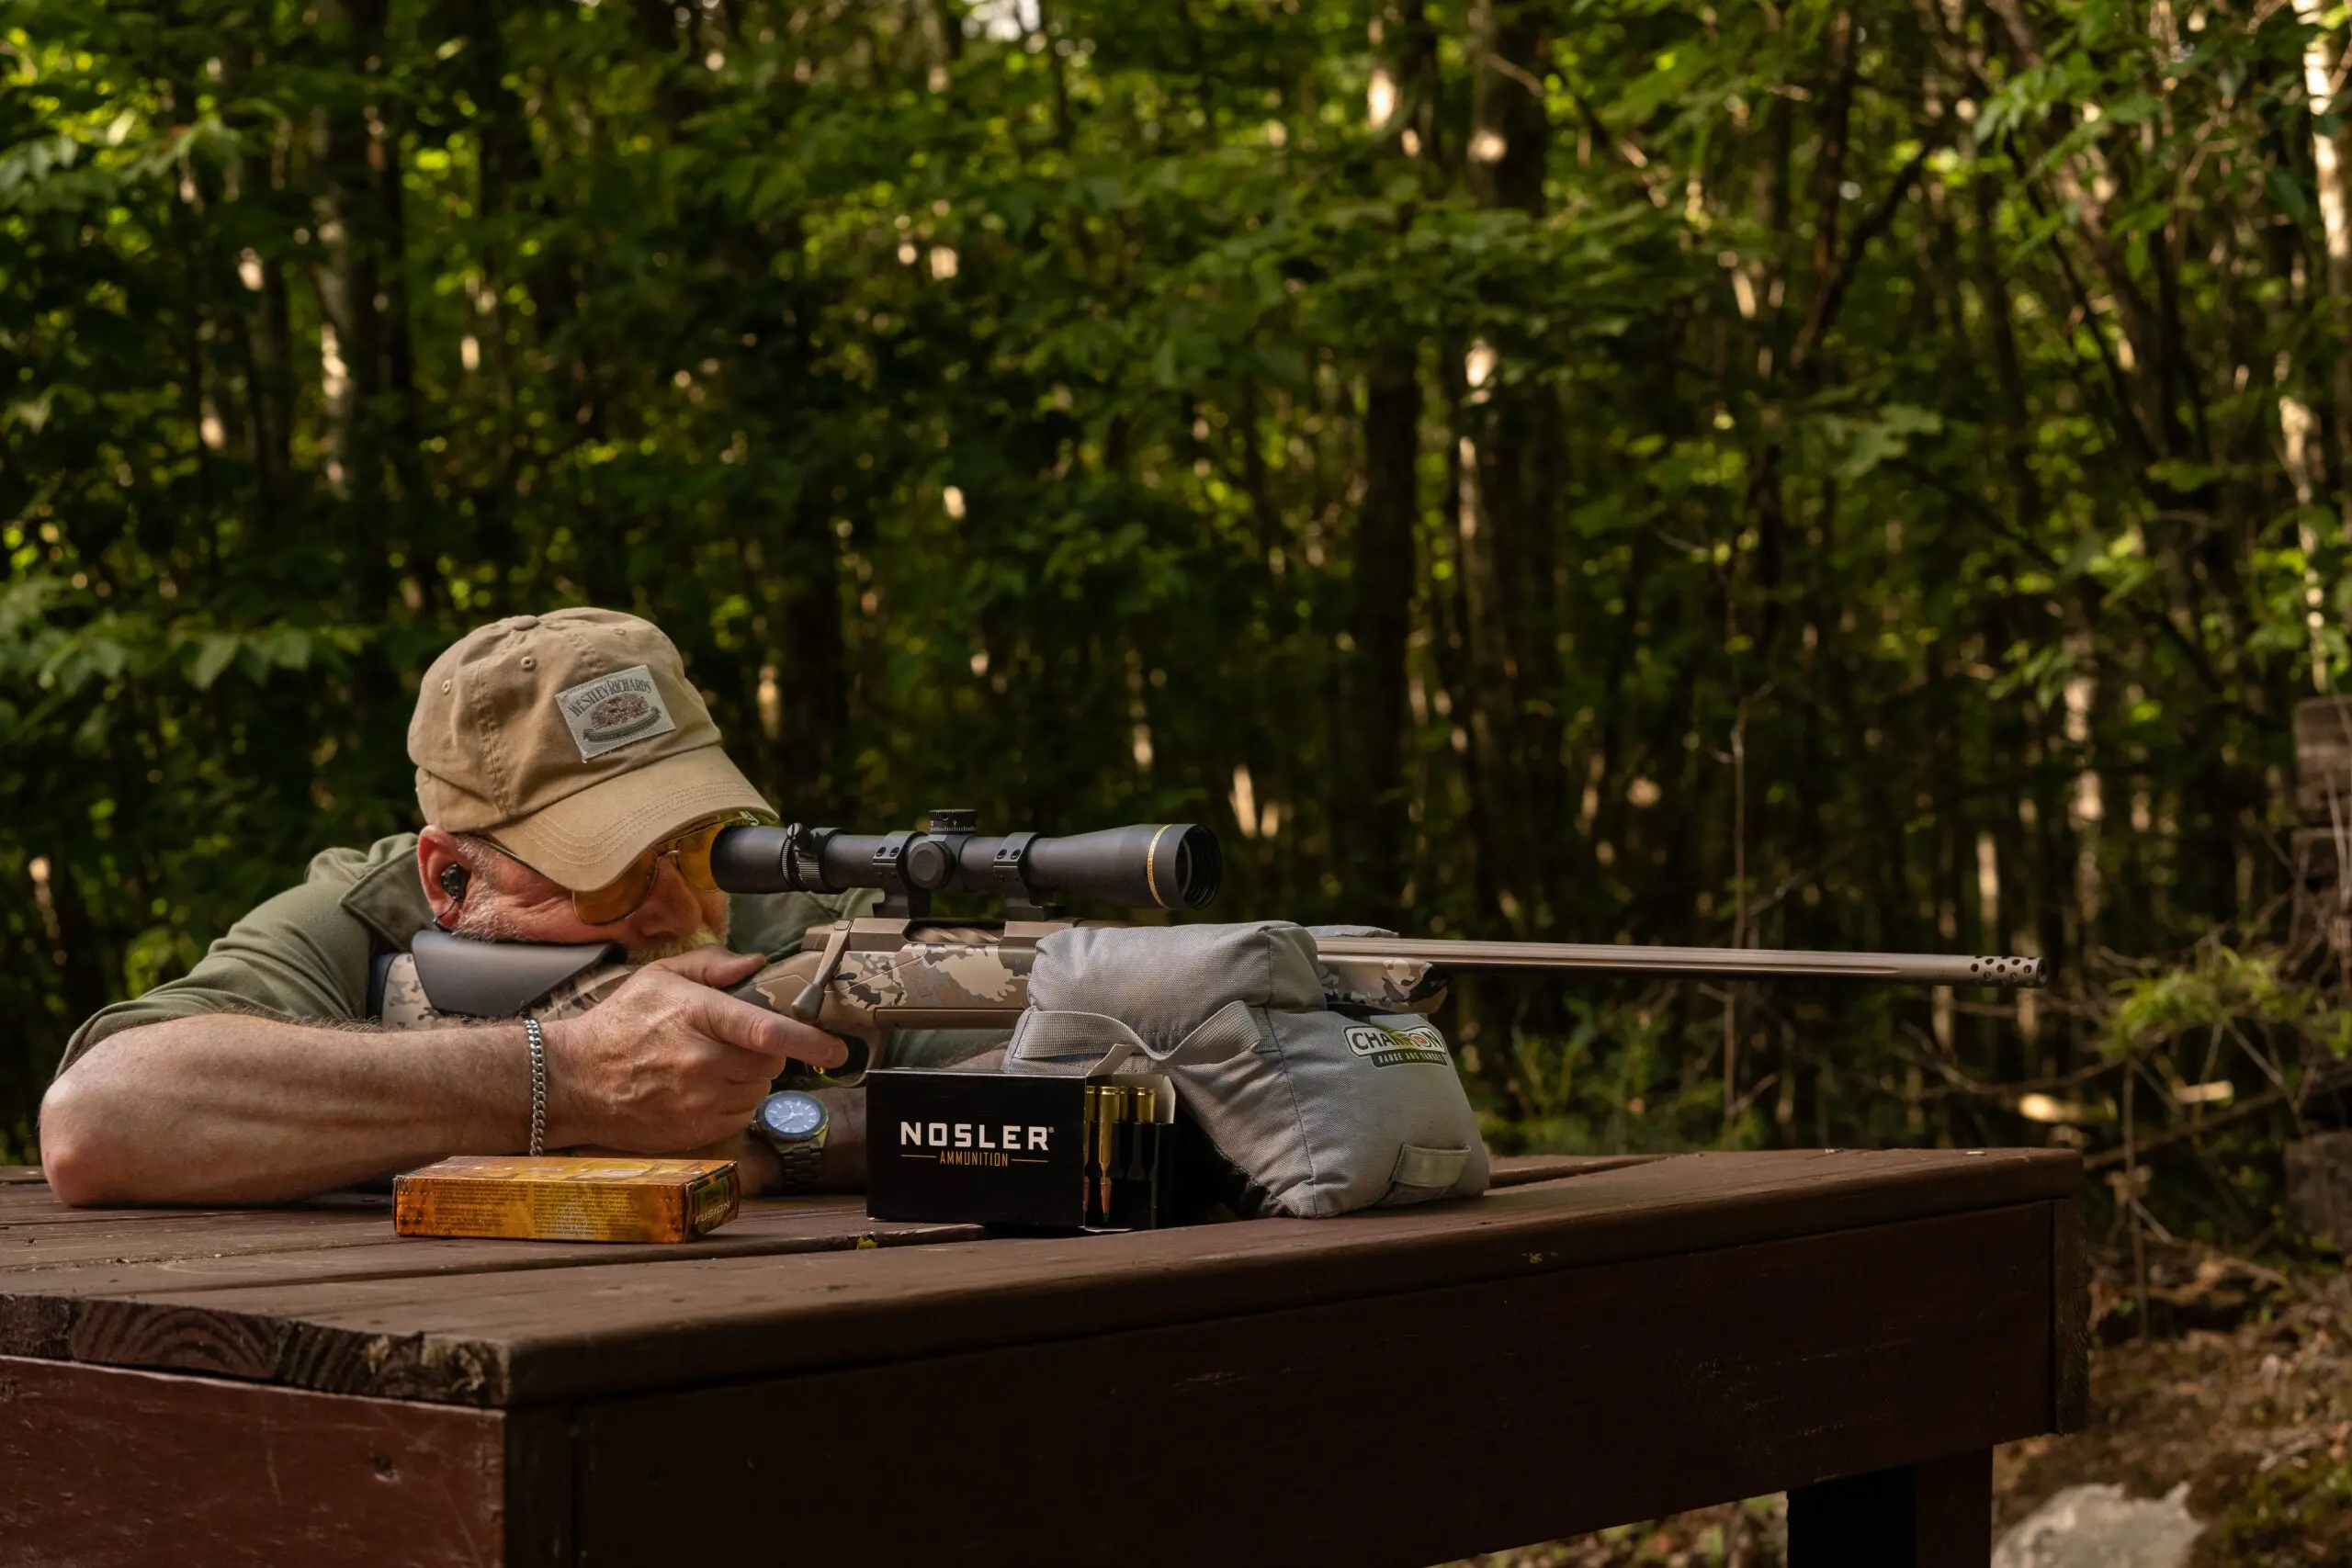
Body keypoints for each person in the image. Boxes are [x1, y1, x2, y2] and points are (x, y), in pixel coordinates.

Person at [39, 608, 937, 1206]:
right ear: (448, 880)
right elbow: (96, 1121)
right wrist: (569, 1078)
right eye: (604, 871)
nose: (674, 909)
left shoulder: (789, 925)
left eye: (696, 843)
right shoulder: (360, 919)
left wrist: (785, 1137)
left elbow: (1062, 1060)